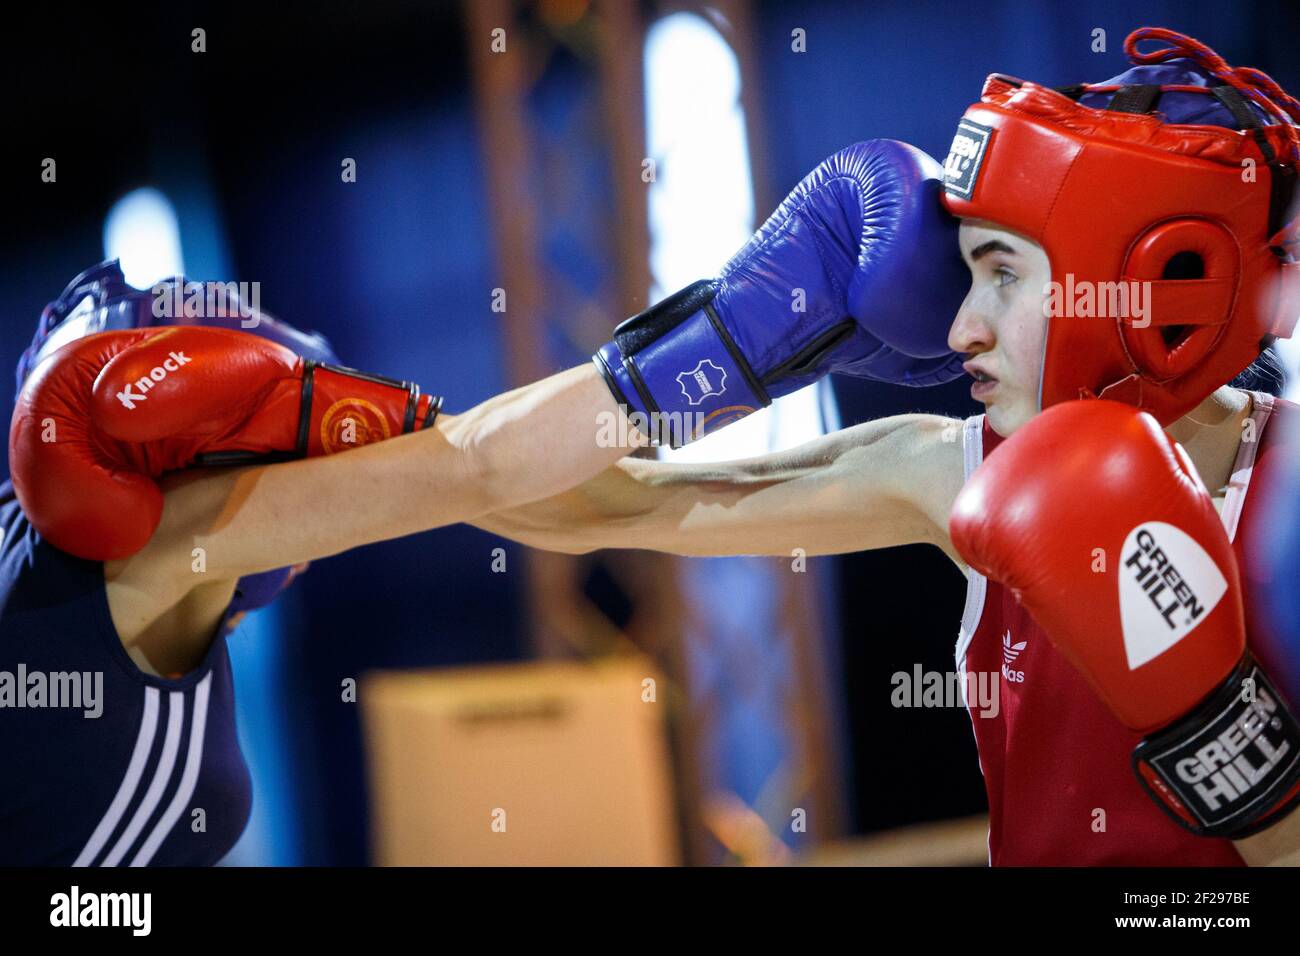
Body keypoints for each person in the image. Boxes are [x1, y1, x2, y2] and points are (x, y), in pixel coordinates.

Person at [0, 139, 965, 865]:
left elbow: (585, 500)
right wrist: (746, 328)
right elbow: (487, 469)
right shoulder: (164, 550)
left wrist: (806, 365)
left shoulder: (58, 548)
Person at [477, 28, 1300, 865]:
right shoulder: (955, 470)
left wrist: (1219, 729)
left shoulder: (1291, 486)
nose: (958, 329)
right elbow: (611, 504)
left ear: (1147, 278)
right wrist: (402, 438)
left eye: (1003, 273)